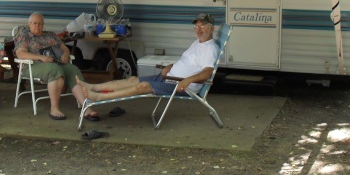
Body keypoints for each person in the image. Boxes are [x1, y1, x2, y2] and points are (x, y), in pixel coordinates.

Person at [78, 13, 219, 102]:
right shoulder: (197, 42)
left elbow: (207, 72)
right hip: (170, 77)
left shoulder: (210, 48)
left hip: (180, 85)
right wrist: (170, 67)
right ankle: (93, 86)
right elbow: (186, 61)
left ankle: (100, 97)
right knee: (132, 79)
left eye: (203, 26)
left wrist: (188, 80)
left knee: (143, 86)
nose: (199, 30)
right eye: (196, 27)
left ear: (212, 28)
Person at [14, 12, 100, 121]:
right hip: (33, 66)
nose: (37, 26)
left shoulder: (50, 35)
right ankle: (54, 109)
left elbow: (64, 47)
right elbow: (20, 53)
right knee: (55, 70)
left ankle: (87, 108)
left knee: (73, 70)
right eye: (34, 23)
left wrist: (65, 54)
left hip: (56, 63)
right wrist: (40, 57)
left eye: (40, 24)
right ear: (29, 24)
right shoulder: (25, 36)